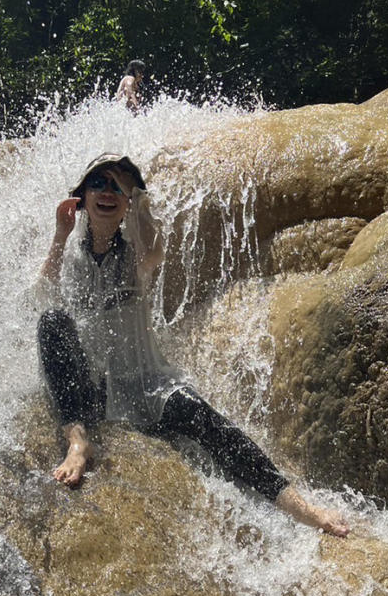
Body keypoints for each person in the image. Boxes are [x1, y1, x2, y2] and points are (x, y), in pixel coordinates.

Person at [36, 153, 349, 536]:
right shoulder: (69, 253)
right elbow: (43, 293)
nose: (107, 191)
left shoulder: (133, 253)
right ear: (81, 195)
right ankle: (79, 441)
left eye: (118, 186)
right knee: (50, 321)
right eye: (98, 182)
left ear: (128, 204)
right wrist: (59, 234)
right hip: (95, 390)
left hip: (145, 385)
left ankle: (300, 507)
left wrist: (141, 202)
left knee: (207, 422)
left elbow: (155, 252)